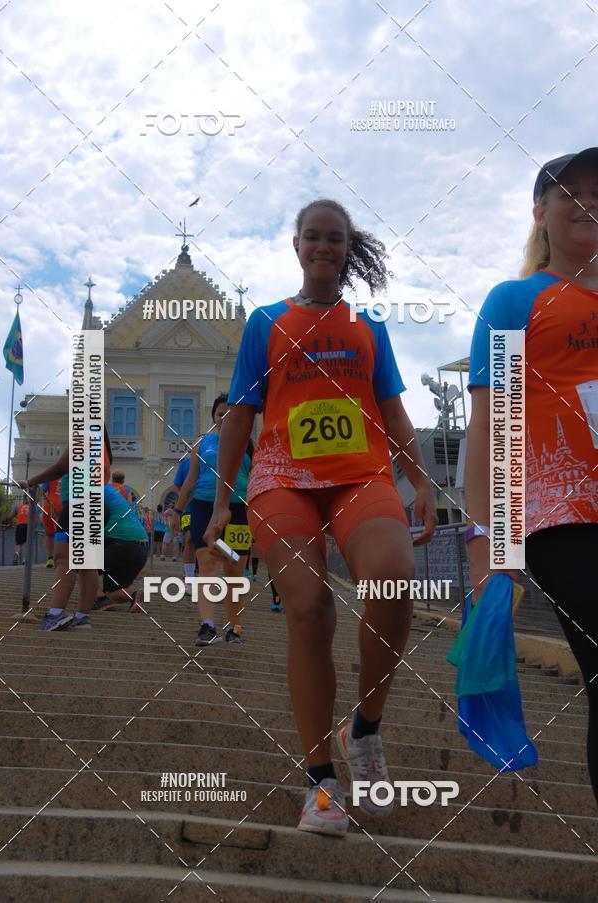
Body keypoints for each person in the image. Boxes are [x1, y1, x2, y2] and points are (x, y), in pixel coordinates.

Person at [204, 198, 437, 836]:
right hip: (283, 481)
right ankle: (321, 781)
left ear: (345, 247)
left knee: (394, 581)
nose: (324, 247)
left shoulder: (369, 327)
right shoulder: (265, 323)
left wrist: (420, 480)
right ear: (298, 245)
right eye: (313, 237)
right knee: (308, 609)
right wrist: (224, 499)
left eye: (335, 238)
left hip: (360, 478)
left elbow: (391, 413)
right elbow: (241, 419)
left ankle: (364, 730)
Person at [466, 148, 598, 804]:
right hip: (560, 514)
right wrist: (490, 540)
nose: (586, 201)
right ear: (541, 212)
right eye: (568, 191)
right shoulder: (516, 300)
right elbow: (491, 424)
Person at [173, 394, 253, 645]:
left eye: (231, 412)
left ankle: (235, 627)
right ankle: (207, 625)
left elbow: (257, 478)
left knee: (234, 571)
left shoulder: (249, 445)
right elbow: (190, 481)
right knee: (207, 566)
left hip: (238, 510)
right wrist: (177, 511)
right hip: (203, 508)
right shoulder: (202, 443)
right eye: (220, 413)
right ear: (214, 418)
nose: (225, 417)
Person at [21, 429, 112, 631]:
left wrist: (30, 481)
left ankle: (56, 613)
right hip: (97, 504)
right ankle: (82, 617)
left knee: (64, 558)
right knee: (88, 563)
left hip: (80, 503)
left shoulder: (86, 435)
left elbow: (61, 467)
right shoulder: (101, 443)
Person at [92, 482, 149, 612]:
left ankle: (99, 599)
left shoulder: (87, 489)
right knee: (112, 592)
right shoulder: (111, 491)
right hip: (141, 546)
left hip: (121, 542)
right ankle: (134, 595)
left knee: (80, 562)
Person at [172, 454, 197, 595]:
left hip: (210, 507)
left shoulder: (216, 460)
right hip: (188, 508)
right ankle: (189, 578)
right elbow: (177, 485)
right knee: (190, 540)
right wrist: (184, 496)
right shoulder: (186, 463)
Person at [39, 478, 62, 567]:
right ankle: (61, 558)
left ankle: (50, 559)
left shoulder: (51, 476)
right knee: (63, 534)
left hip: (48, 507)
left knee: (49, 534)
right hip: (62, 507)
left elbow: (41, 491)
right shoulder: (71, 476)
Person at [8, 498, 29, 565]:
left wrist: (10, 524)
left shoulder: (18, 506)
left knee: (19, 544)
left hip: (19, 525)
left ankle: (16, 556)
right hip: (28, 526)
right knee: (27, 543)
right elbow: (36, 518)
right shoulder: (32, 507)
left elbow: (10, 516)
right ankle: (25, 560)